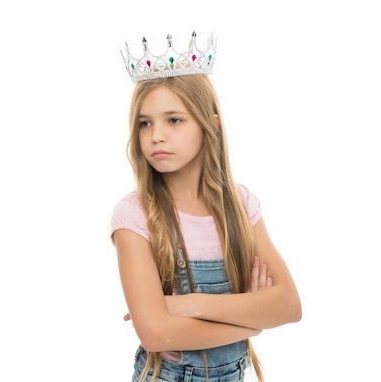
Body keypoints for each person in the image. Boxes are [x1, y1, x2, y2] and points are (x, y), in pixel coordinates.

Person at [110, 32, 302, 382]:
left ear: (210, 126)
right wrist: (251, 323)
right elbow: (156, 334)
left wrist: (188, 306)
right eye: (145, 123)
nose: (156, 136)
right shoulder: (135, 215)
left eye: (174, 120)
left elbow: (288, 305)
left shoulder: (241, 207)